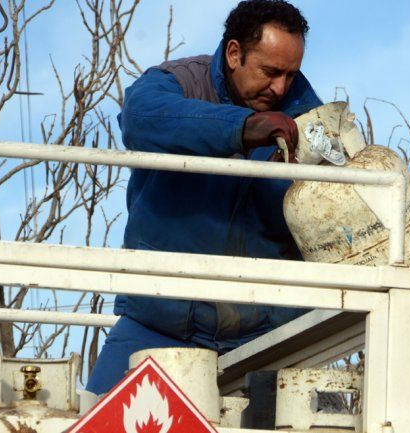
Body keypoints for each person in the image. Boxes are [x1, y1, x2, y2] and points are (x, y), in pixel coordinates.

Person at [86, 0, 322, 394]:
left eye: (290, 75)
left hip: (265, 340)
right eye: (270, 72)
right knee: (97, 417)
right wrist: (244, 128)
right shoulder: (176, 82)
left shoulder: (307, 116)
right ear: (234, 53)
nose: (281, 87)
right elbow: (141, 118)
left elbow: (340, 208)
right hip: (158, 320)